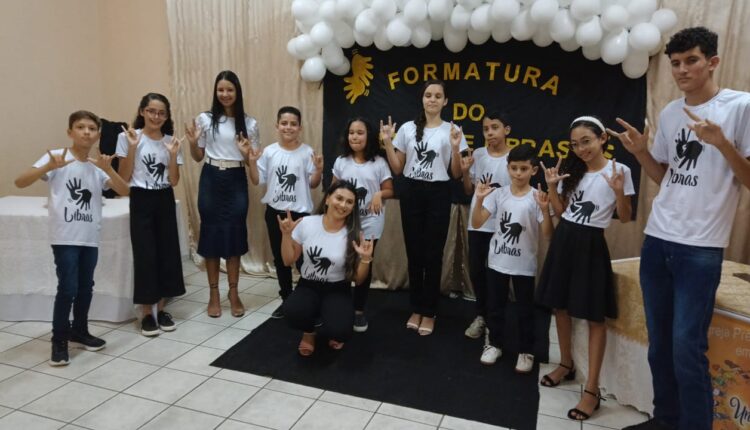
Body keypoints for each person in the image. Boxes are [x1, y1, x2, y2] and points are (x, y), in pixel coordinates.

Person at [610, 27, 750, 430]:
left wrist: (723, 144)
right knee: (659, 346)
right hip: (658, 240)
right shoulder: (672, 112)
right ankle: (665, 420)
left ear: (712, 62)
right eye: (675, 63)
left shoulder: (740, 107)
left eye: (691, 60)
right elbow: (666, 177)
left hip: (701, 248)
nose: (682, 70)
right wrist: (641, 153)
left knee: (687, 348)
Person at [536, 116, 635, 421]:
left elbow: (625, 217)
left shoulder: (620, 171)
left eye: (586, 141)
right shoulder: (573, 170)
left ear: (603, 138)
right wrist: (552, 187)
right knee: (560, 307)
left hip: (591, 245)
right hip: (564, 238)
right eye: (575, 144)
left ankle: (592, 390)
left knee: (594, 317)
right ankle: (566, 364)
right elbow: (562, 211)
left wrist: (618, 191)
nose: (581, 149)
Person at [14, 110, 130, 366]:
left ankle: (79, 330)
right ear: (70, 132)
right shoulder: (57, 157)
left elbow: (125, 190)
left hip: (90, 237)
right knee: (67, 288)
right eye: (80, 127)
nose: (86, 132)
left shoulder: (97, 166)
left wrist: (109, 170)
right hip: (65, 237)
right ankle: (59, 340)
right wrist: (48, 167)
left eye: (92, 128)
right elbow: (20, 181)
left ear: (98, 134)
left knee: (86, 287)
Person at [381, 79, 468, 336]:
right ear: (422, 98)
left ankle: (429, 311)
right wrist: (387, 142)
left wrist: (455, 148)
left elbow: (455, 174)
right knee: (415, 252)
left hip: (438, 193)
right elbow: (397, 168)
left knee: (433, 254)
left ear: (445, 101)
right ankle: (416, 308)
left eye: (438, 96)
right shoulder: (407, 128)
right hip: (412, 193)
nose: (432, 99)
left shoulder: (452, 130)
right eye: (428, 95)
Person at [470, 144, 552, 372]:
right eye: (514, 168)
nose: (518, 173)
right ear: (508, 168)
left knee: (525, 309)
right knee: (495, 306)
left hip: (524, 265)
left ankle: (526, 350)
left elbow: (548, 234)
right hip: (497, 261)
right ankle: (494, 344)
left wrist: (545, 210)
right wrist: (479, 199)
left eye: (523, 169)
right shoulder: (498, 194)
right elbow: (477, 222)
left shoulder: (537, 198)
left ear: (533, 170)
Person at [185, 70, 260, 318]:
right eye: (221, 90)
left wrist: (247, 154)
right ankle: (214, 294)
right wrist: (193, 143)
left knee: (234, 235)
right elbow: (198, 156)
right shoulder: (205, 119)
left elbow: (252, 164)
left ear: (237, 92)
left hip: (236, 180)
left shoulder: (249, 123)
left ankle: (234, 293)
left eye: (230, 89)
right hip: (211, 178)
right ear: (215, 92)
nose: (225, 94)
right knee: (211, 235)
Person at [116, 93, 185, 336]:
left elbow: (174, 180)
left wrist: (173, 155)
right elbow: (123, 177)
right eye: (152, 111)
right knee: (145, 254)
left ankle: (161, 309)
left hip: (164, 197)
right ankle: (147, 313)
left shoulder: (171, 141)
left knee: (167, 252)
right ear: (142, 111)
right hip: (140, 198)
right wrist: (133, 148)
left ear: (167, 116)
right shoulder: (127, 137)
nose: (156, 116)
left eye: (161, 113)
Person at [278, 181, 374, 356]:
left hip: (337, 288)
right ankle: (309, 332)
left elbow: (359, 280)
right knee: (292, 312)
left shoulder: (353, 233)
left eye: (349, 202)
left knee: (341, 331)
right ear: (328, 199)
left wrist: (366, 259)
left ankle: (330, 319)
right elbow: (287, 260)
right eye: (339, 198)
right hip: (308, 284)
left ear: (353, 207)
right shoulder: (307, 223)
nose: (343, 205)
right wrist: (286, 235)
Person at [248, 106, 323, 318]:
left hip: (300, 216)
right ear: (277, 126)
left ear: (300, 127)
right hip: (276, 213)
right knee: (281, 259)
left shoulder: (307, 152)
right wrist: (251, 163)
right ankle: (287, 299)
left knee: (303, 259)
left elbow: (314, 184)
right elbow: (257, 179)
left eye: (293, 124)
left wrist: (318, 170)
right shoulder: (269, 152)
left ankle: (306, 298)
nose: (288, 127)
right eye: (284, 123)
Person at [331, 117, 393, 332]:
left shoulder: (379, 162)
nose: (355, 137)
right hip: (344, 221)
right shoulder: (341, 161)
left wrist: (379, 194)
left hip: (370, 222)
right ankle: (338, 306)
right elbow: (333, 191)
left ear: (369, 136)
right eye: (351, 133)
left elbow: (390, 189)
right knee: (340, 262)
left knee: (364, 264)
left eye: (360, 132)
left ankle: (358, 311)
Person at [460, 110, 513, 339]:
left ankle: (495, 321)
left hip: (503, 226)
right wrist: (465, 172)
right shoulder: (479, 154)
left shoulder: (514, 158)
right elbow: (468, 190)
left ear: (506, 130)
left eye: (495, 127)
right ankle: (481, 315)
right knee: (477, 271)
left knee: (497, 275)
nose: (489, 132)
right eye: (485, 129)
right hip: (478, 224)